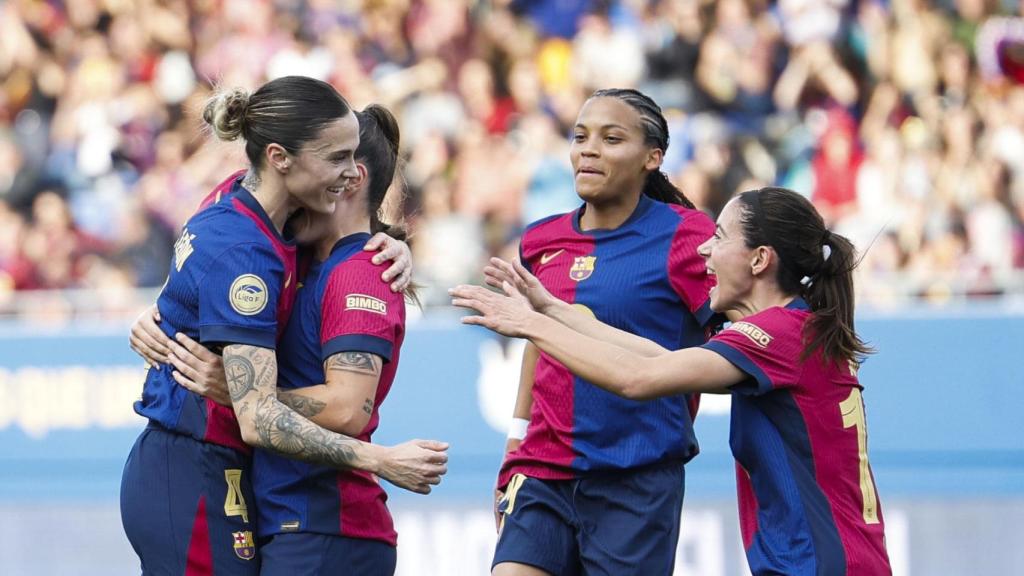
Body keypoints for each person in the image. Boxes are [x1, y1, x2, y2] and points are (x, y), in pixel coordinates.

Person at [452, 186, 892, 575]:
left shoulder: (778, 335)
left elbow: (638, 378)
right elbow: (663, 359)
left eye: (719, 238)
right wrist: (553, 310)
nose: (705, 251)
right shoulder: (792, 331)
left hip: (821, 565)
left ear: (760, 259)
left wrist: (531, 327)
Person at [121, 76, 447, 576]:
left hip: (251, 486)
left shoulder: (254, 210)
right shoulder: (250, 251)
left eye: (354, 161)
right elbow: (256, 410)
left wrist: (391, 243)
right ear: (280, 158)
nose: (349, 174)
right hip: (191, 467)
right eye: (337, 159)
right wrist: (379, 459)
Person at [485, 88, 719, 576]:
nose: (588, 150)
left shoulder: (687, 236)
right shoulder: (541, 238)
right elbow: (538, 337)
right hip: (543, 471)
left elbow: (734, 332)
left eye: (612, 139)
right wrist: (515, 440)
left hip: (635, 478)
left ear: (652, 157)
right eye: (580, 137)